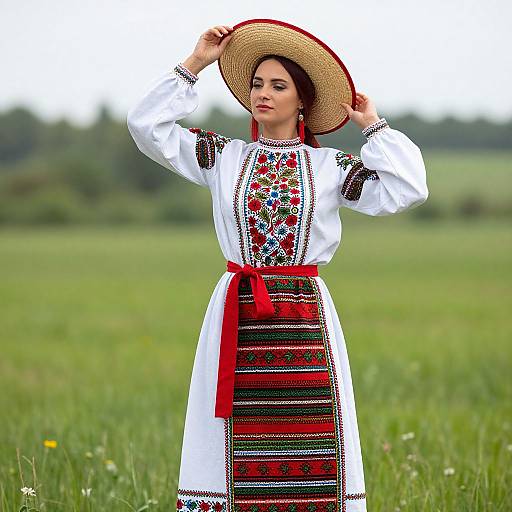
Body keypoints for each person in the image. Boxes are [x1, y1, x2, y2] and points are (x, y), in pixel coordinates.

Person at [127, 19, 428, 512]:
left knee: (310, 442)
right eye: (256, 84)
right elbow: (146, 128)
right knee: (233, 437)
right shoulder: (221, 157)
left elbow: (408, 188)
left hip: (306, 319)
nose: (263, 94)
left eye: (278, 86)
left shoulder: (329, 168)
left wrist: (372, 125)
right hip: (237, 314)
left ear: (302, 101)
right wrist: (195, 63)